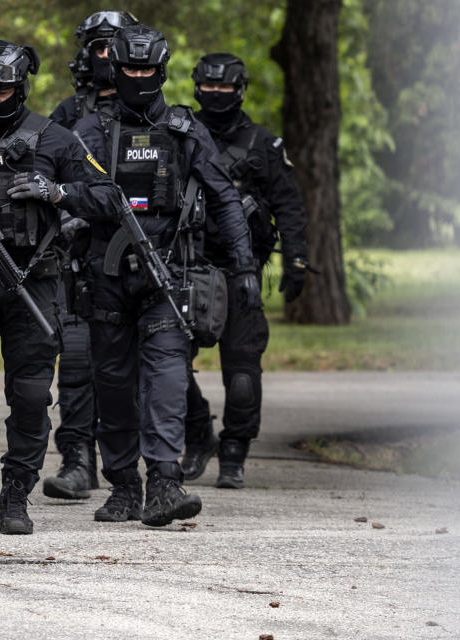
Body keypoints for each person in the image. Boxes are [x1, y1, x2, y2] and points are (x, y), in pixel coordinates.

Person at [0, 38, 119, 536]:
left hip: (36, 282)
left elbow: (107, 196)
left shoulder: (56, 139)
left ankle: (17, 494)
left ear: (21, 87)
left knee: (32, 396)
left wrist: (59, 193)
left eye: (4, 91)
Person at [74, 25, 259, 527]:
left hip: (169, 273)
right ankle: (123, 487)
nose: (139, 78)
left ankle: (164, 482)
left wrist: (243, 265)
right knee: (112, 384)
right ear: (116, 71)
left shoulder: (184, 129)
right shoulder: (91, 132)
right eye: (130, 70)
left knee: (167, 379)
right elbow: (63, 193)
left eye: (147, 70)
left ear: (162, 71)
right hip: (106, 276)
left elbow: (223, 197)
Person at [181, 53, 309, 489]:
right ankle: (197, 432)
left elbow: (289, 205)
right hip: (185, 268)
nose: (216, 96)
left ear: (239, 91)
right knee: (166, 365)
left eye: (225, 89)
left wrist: (295, 258)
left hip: (242, 270)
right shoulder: (179, 137)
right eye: (209, 89)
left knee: (241, 376)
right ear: (197, 88)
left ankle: (234, 452)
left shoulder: (264, 145)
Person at [42, 10, 135, 502]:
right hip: (82, 258)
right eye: (98, 47)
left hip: (141, 261)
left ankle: (154, 459)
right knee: (76, 363)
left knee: (139, 367)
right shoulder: (67, 115)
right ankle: (78, 459)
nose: (106, 57)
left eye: (114, 46)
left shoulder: (154, 111)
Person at [50, 10, 137, 129]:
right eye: (100, 48)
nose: (107, 54)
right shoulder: (69, 110)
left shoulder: (146, 107)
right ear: (87, 56)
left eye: (114, 48)